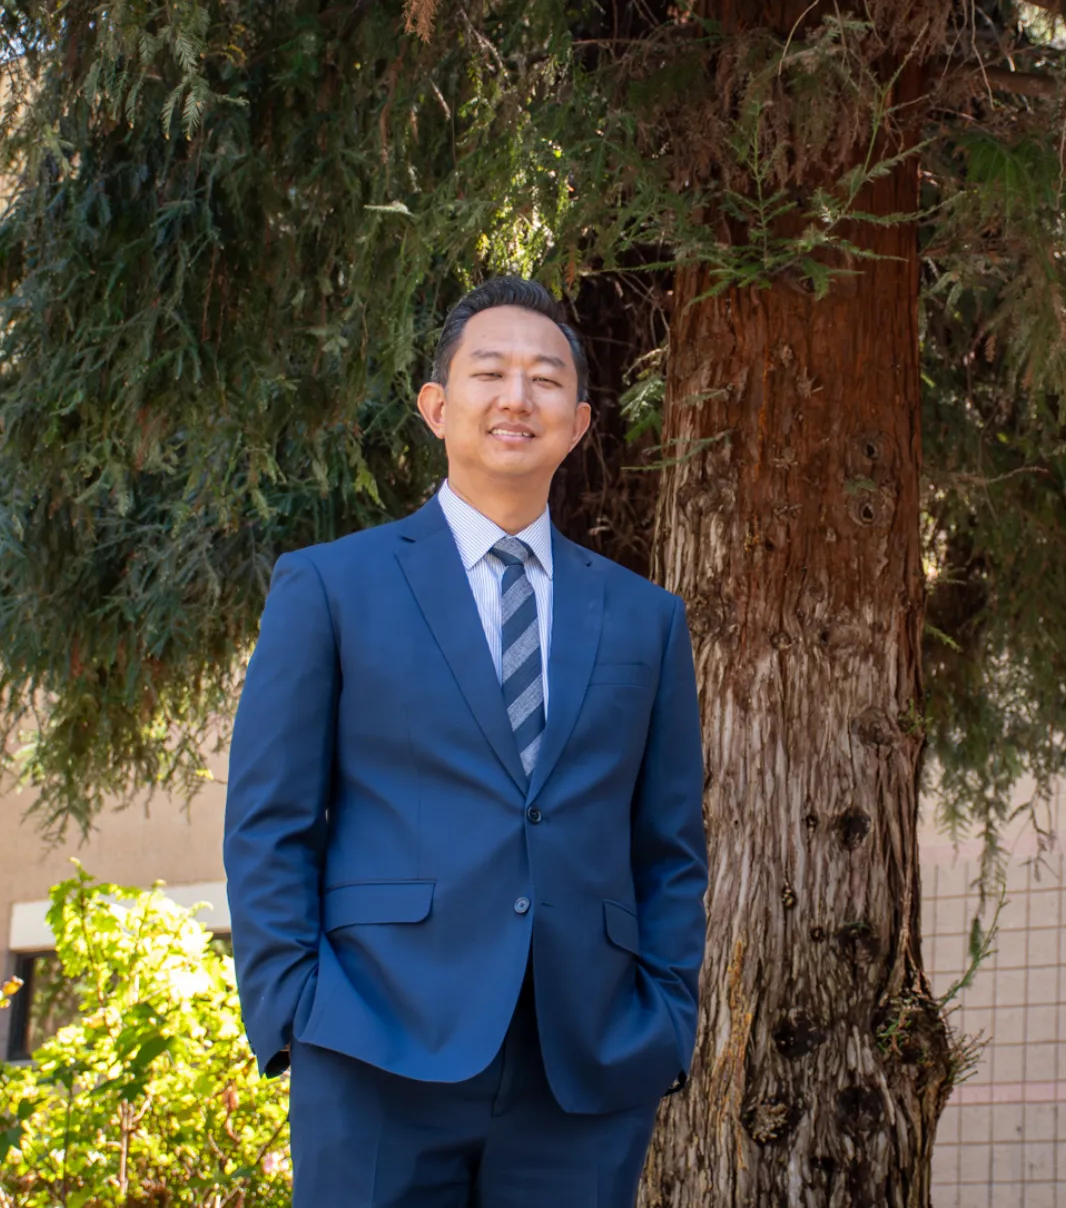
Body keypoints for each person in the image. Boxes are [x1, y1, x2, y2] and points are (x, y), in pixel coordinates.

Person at [223, 275, 709, 1208]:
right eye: (490, 373)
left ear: (579, 421)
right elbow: (269, 820)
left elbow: (669, 847)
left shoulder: (646, 619)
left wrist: (664, 1023)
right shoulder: (329, 586)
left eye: (545, 379)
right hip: (372, 1045)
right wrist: (293, 1014)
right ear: (437, 408)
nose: (517, 397)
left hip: (586, 1065)